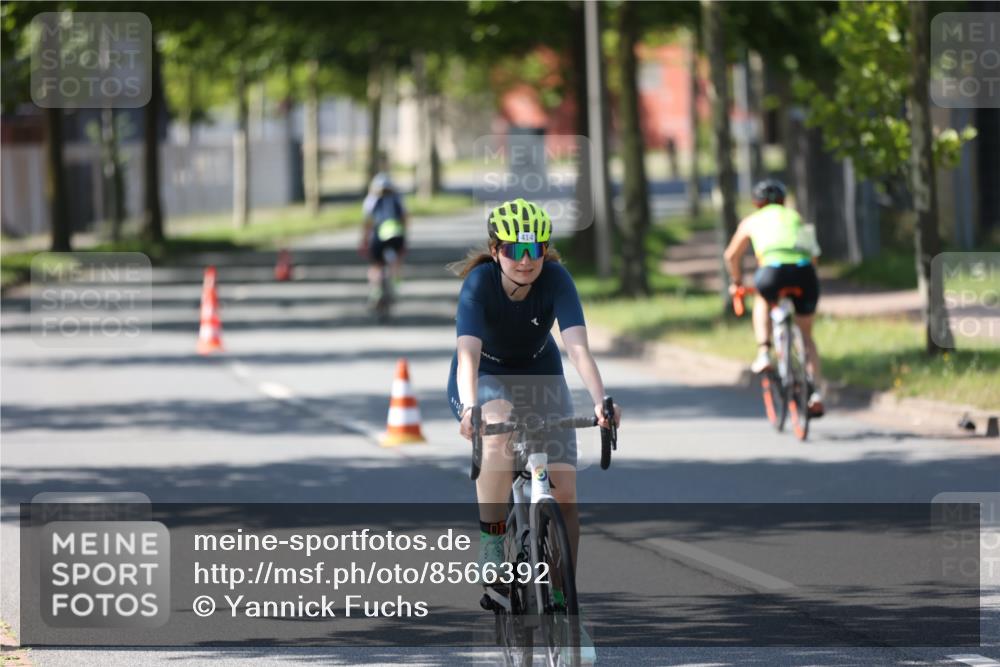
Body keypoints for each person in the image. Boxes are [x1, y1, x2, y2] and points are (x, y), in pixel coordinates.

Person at [447, 198, 621, 656]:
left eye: (535, 250)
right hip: (484, 374)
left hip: (540, 372)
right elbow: (466, 351)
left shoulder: (557, 279)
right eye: (513, 251)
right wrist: (469, 408)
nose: (525, 261)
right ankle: (492, 543)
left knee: (564, 492)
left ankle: (566, 605)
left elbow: (578, 349)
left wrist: (601, 401)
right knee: (499, 422)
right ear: (494, 249)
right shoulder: (479, 284)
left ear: (545, 250)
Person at [724, 178, 825, 417]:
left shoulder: (751, 220)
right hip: (804, 273)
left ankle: (763, 351)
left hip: (771, 271)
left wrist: (737, 282)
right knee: (807, 336)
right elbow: (814, 255)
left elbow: (731, 256)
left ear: (756, 203)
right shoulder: (795, 216)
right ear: (783, 200)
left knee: (762, 298)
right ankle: (816, 393)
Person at [360, 172, 407, 305]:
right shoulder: (397, 198)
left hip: (378, 236)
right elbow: (404, 218)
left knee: (376, 265)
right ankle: (396, 283)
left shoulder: (371, 199)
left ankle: (375, 290)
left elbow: (367, 222)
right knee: (397, 260)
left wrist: (363, 240)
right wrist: (405, 236)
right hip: (396, 234)